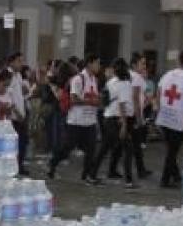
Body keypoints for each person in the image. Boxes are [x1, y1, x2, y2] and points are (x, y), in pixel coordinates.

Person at [49, 53, 102, 185]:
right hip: (76, 121)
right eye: (97, 63)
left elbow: (94, 96)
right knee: (67, 149)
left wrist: (98, 101)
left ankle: (87, 176)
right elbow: (74, 99)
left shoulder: (94, 80)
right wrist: (91, 102)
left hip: (90, 121)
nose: (99, 66)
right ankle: (53, 163)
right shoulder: (78, 79)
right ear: (90, 63)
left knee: (91, 149)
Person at [156, 50, 183, 187]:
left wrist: (158, 111)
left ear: (178, 61)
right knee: (172, 150)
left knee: (170, 148)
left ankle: (175, 175)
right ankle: (164, 180)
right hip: (179, 119)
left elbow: (158, 93)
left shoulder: (168, 74)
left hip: (164, 116)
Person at [95, 58, 138, 189]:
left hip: (108, 118)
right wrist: (124, 125)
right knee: (128, 149)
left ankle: (91, 174)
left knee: (104, 149)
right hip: (117, 119)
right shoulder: (124, 84)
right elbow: (122, 104)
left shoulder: (111, 82)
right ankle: (129, 181)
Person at [110, 53, 152, 178]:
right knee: (132, 144)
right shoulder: (136, 77)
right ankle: (136, 172)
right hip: (131, 114)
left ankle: (137, 169)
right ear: (134, 64)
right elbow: (135, 98)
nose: (144, 66)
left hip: (125, 112)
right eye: (142, 63)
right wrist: (139, 118)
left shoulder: (127, 75)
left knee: (129, 143)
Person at [6, 52, 29, 175]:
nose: (22, 64)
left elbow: (20, 95)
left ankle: (19, 165)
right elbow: (8, 97)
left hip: (21, 114)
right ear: (11, 62)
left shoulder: (18, 75)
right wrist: (17, 113)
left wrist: (25, 91)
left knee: (23, 142)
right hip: (13, 116)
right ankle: (14, 167)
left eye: (22, 61)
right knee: (14, 144)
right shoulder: (8, 75)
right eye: (19, 61)